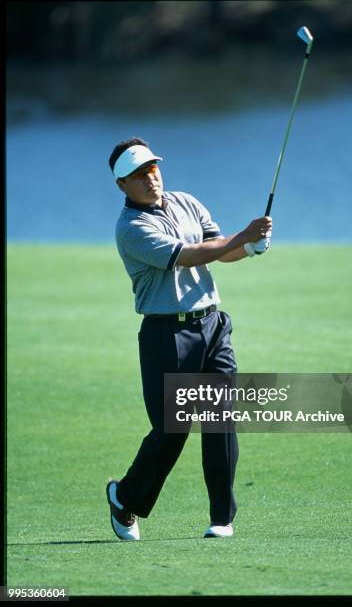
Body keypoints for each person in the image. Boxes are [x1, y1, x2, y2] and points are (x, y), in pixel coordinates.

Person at [106, 137, 272, 540]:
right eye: (138, 175)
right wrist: (241, 236)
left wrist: (250, 246)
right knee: (171, 431)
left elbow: (219, 250)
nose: (150, 178)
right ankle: (125, 499)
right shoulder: (132, 228)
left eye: (152, 168)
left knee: (220, 420)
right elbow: (190, 254)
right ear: (121, 185)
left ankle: (222, 519)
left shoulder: (185, 201)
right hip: (168, 334)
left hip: (213, 326)